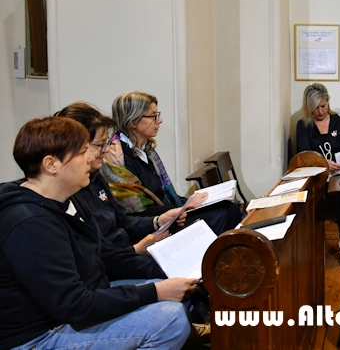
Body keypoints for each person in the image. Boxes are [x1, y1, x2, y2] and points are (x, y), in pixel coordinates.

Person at [0, 116, 195, 350]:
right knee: (169, 319)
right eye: (82, 152)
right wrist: (154, 292)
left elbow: (105, 256)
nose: (91, 158)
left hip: (85, 300)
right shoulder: (30, 224)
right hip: (40, 334)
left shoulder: (67, 198)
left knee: (178, 286)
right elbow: (74, 305)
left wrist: (170, 268)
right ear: (51, 164)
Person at [55, 102, 188, 255]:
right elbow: (98, 256)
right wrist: (136, 250)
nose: (105, 151)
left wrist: (157, 222)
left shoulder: (95, 177)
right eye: (99, 145)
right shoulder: (68, 192)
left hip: (125, 253)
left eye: (106, 143)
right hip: (119, 260)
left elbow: (122, 221)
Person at [108, 91, 241, 235]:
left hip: (168, 211)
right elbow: (138, 212)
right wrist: (186, 206)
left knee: (230, 208)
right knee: (219, 216)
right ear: (133, 121)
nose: (159, 121)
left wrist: (190, 202)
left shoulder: (147, 150)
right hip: (153, 223)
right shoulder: (118, 160)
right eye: (153, 116)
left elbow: (162, 195)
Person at [295, 83, 340, 268]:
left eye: (323, 106)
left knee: (338, 191)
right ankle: (311, 245)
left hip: (339, 173)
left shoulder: (338, 122)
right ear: (309, 107)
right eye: (316, 108)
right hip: (316, 174)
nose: (320, 111)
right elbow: (304, 154)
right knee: (314, 196)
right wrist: (323, 163)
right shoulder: (303, 125)